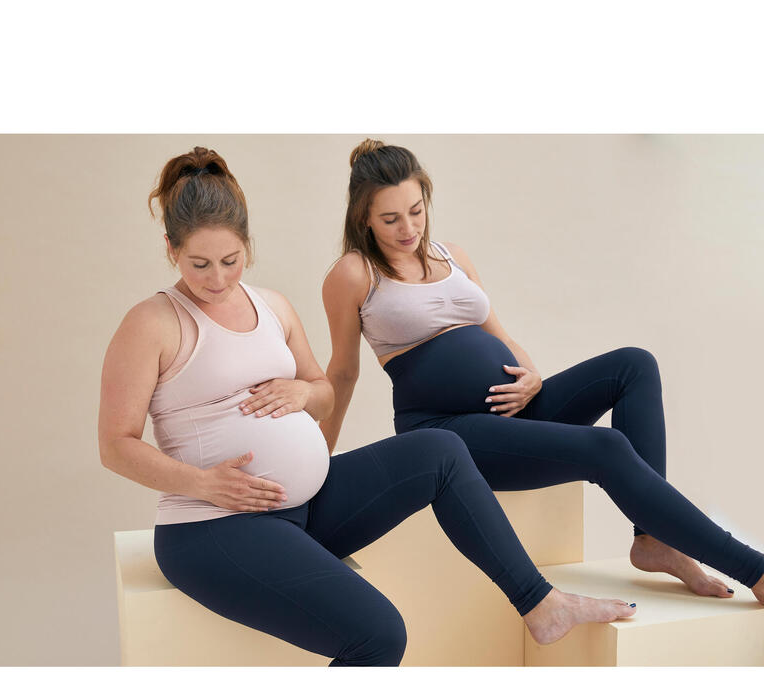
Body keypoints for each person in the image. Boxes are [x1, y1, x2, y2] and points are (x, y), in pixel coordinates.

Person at [98, 146, 640, 666]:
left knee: (441, 451)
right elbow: (115, 445)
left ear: (248, 246)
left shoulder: (273, 307)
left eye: (230, 260)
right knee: (380, 635)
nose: (217, 279)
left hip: (304, 510)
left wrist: (303, 393)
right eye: (199, 264)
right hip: (214, 525)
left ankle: (540, 604)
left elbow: (324, 389)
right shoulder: (151, 323)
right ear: (171, 248)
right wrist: (202, 484)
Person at [321, 138, 764, 607]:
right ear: (364, 218)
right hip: (452, 431)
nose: (407, 227)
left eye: (415, 210)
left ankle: (652, 539)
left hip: (518, 411)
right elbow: (343, 373)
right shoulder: (354, 274)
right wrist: (319, 465)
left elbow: (501, 335)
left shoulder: (451, 256)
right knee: (606, 447)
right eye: (390, 219)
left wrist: (530, 375)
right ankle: (753, 569)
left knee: (635, 364)